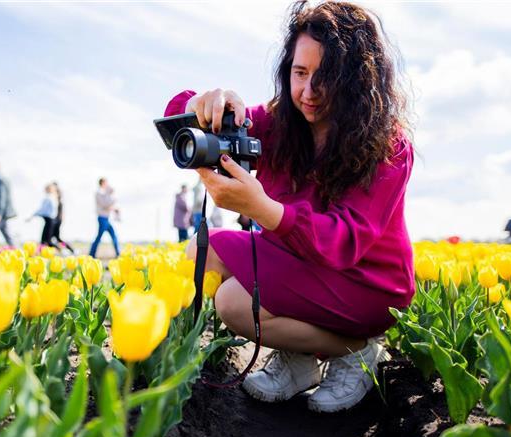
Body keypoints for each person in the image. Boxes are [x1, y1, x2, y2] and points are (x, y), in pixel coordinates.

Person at [163, 1, 414, 413]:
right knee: (200, 253)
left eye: (325, 77)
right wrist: (199, 106)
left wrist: (262, 209)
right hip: (301, 262)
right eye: (300, 73)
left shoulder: (387, 145)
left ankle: (354, 351)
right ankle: (298, 361)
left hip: (367, 284)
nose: (308, 92)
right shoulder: (281, 123)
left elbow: (342, 243)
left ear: (355, 81)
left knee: (232, 303)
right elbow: (179, 121)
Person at [89, 177, 120, 258]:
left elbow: (109, 204)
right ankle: (91, 254)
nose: (107, 185)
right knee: (99, 238)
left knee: (113, 236)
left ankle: (118, 254)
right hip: (102, 218)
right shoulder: (99, 193)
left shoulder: (105, 194)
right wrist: (111, 194)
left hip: (106, 218)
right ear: (102, 183)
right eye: (106, 183)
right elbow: (106, 205)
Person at [27, 183, 59, 247]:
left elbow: (42, 209)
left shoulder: (48, 198)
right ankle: (50, 251)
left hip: (49, 220)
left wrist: (32, 216)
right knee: (47, 239)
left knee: (45, 239)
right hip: (51, 220)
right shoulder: (53, 197)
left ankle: (58, 249)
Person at [49, 183, 75, 253]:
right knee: (55, 238)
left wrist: (58, 219)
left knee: (53, 238)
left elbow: (58, 211)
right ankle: (67, 249)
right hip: (57, 220)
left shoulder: (57, 197)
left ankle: (67, 249)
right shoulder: (58, 196)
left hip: (56, 220)